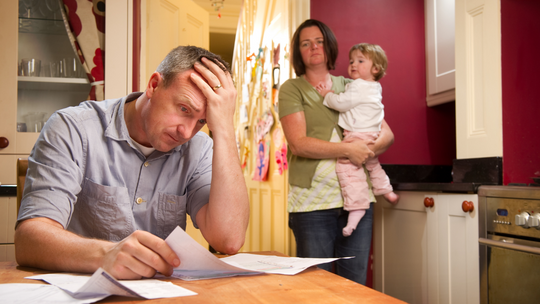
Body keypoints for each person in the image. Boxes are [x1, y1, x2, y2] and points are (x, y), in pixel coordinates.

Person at [14, 46, 250, 280]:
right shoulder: (72, 128)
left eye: (201, 121)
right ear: (154, 85)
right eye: (184, 109)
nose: (186, 132)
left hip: (161, 295)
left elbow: (228, 240)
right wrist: (105, 255)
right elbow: (29, 240)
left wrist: (224, 128)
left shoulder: (198, 148)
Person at [278, 19, 394, 285]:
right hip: (312, 205)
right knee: (318, 289)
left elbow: (386, 133)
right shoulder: (292, 89)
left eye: (319, 41)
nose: (314, 47)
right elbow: (298, 143)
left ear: (329, 46)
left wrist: (365, 150)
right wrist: (347, 149)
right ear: (299, 52)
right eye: (306, 44)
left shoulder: (353, 84)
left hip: (358, 201)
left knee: (354, 286)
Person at [316, 43, 399, 237]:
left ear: (375, 69)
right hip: (372, 134)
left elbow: (341, 103)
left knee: (347, 168)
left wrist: (327, 94)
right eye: (352, 61)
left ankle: (356, 208)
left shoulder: (358, 86)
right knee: (373, 165)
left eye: (361, 61)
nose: (353, 64)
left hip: (357, 136)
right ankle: (386, 190)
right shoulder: (374, 87)